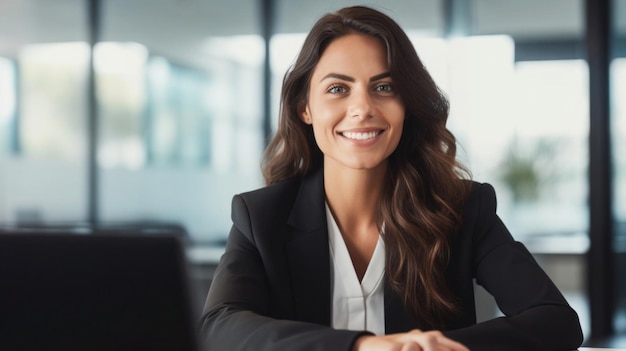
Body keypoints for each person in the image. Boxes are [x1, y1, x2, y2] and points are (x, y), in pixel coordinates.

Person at [200, 5, 583, 351]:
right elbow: (221, 326)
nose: (363, 108)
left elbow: (556, 321)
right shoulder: (260, 215)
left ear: (408, 105)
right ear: (305, 108)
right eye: (338, 89)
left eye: (384, 87)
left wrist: (427, 348)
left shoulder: (463, 208)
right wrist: (361, 347)